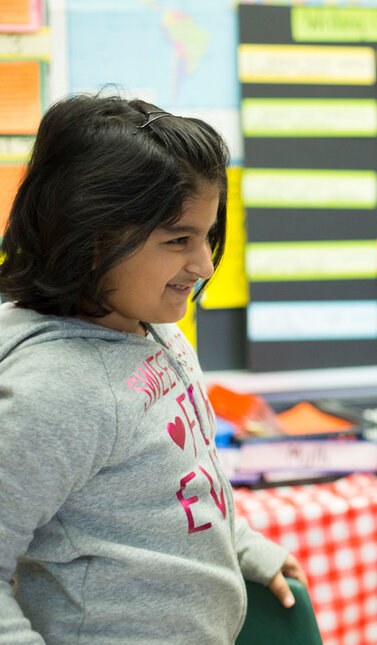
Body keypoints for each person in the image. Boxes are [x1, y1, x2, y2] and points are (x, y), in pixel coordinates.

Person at [0, 94, 307, 643]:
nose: (205, 264)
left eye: (207, 236)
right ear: (90, 240)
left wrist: (240, 545)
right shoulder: (55, 390)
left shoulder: (153, 323)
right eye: (177, 240)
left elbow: (182, 478)